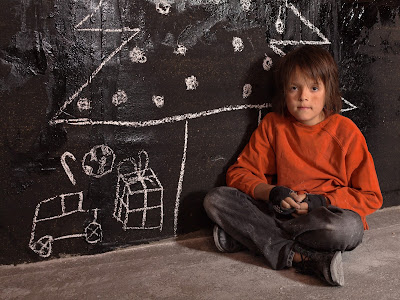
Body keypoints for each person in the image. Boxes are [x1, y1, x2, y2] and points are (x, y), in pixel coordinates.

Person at [203, 45, 383, 286]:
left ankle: (249, 237)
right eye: (294, 88)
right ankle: (302, 257)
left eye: (314, 88)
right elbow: (239, 173)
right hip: (280, 212)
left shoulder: (346, 132)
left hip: (321, 218)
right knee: (216, 199)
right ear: (284, 93)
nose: (303, 97)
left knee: (349, 229)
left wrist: (320, 201)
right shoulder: (273, 125)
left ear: (328, 91)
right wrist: (273, 192)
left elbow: (371, 196)